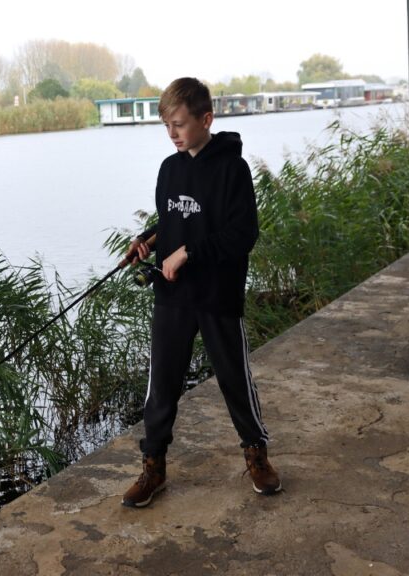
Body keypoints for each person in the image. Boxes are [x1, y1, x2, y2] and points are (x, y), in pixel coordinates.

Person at [121, 77, 280, 508]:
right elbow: (173, 221)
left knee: (234, 378)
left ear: (206, 119)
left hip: (217, 294)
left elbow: (241, 234)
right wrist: (149, 242)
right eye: (166, 126)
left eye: (179, 124)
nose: (171, 134)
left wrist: (187, 253)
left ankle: (256, 453)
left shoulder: (233, 169)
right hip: (173, 297)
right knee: (162, 384)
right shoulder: (170, 169)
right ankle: (154, 466)